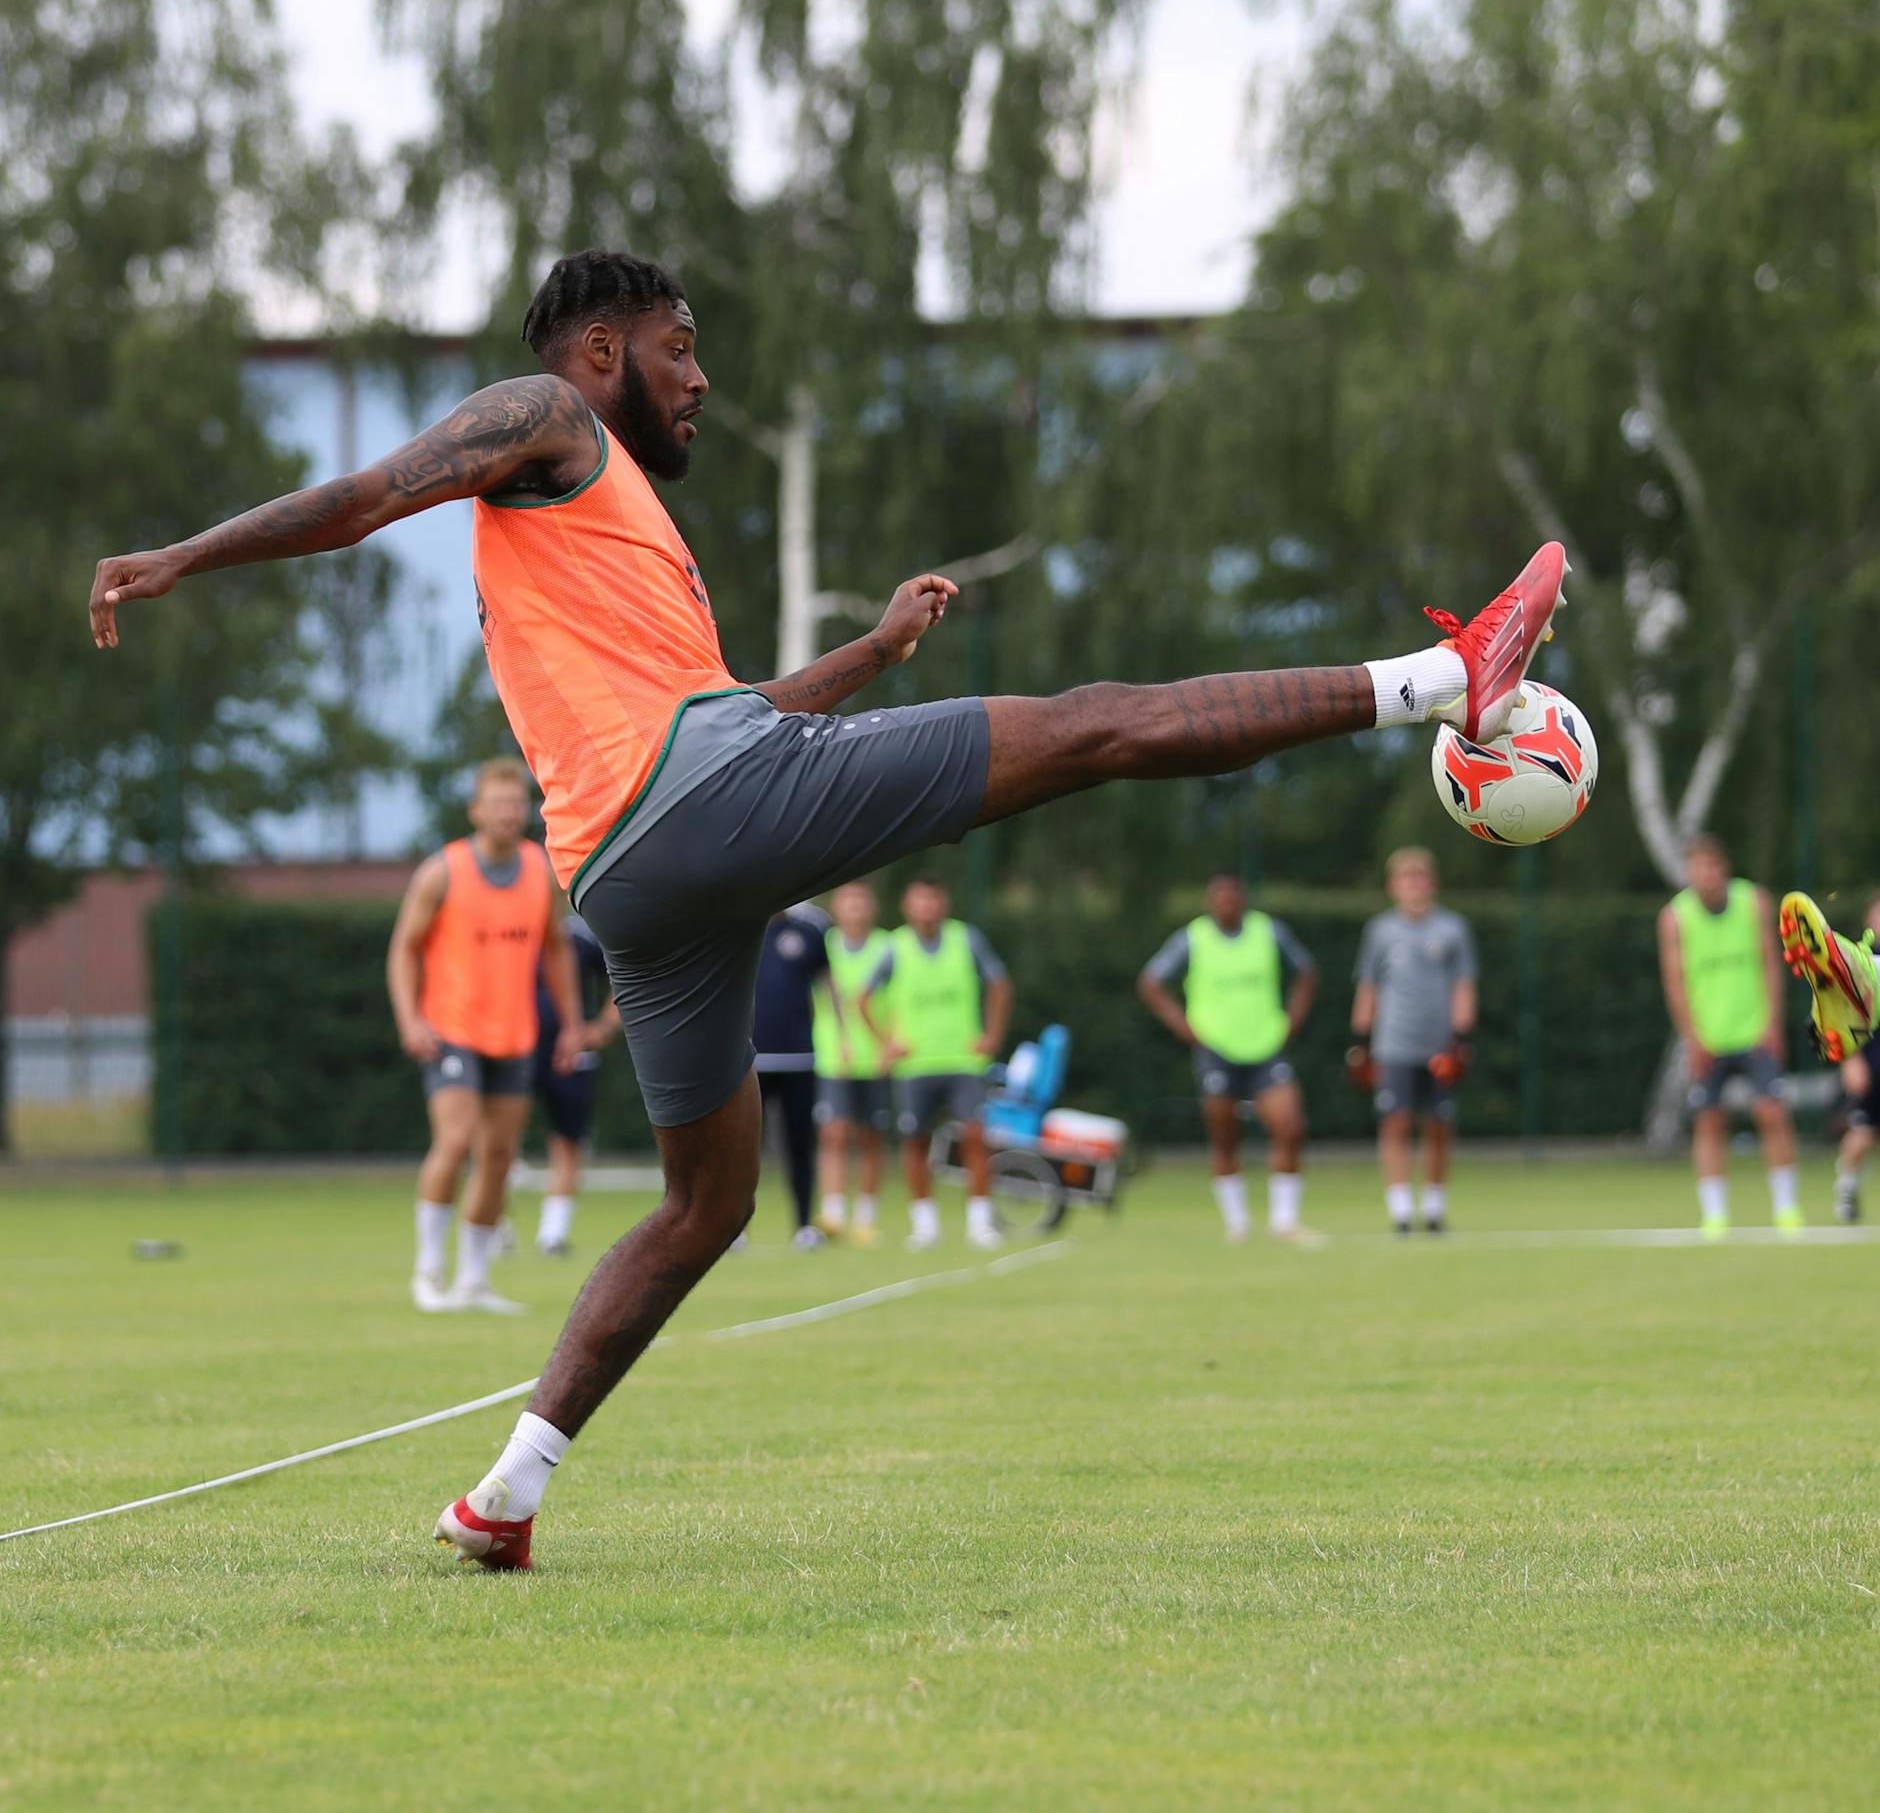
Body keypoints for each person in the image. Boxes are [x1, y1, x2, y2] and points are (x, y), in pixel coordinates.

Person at [88, 245, 1566, 1570]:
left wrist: (867, 655)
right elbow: (363, 500)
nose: (702, 375)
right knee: (1096, 724)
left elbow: (736, 728)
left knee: (708, 1202)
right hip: (698, 810)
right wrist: (184, 556)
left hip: (633, 874)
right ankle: (1445, 678)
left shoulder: (612, 532)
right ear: (601, 349)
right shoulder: (543, 414)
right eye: (680, 344)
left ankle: (505, 1494)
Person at [385, 758, 583, 1312]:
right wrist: (409, 1018)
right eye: (495, 804)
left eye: (515, 804)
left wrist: (570, 1024)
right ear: (475, 811)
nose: (506, 813)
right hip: (451, 1030)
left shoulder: (539, 870)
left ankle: (474, 1280)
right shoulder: (442, 872)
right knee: (455, 1140)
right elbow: (403, 948)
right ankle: (428, 1274)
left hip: (514, 1034)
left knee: (499, 1156)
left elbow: (556, 950)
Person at [1137, 873, 1317, 1242]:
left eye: (1233, 896)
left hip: (1266, 1046)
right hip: (1215, 1050)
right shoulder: (1192, 938)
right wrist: (1182, 1026)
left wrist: (1292, 1020)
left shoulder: (1269, 932)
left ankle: (1285, 1220)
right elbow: (1150, 982)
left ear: (1243, 899)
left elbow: (1306, 974)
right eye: (1219, 896)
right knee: (1224, 1137)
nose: (1227, 903)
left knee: (1289, 1127)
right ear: (1209, 901)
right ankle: (1237, 1223)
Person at [858, 875, 1012, 1253]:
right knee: (915, 1142)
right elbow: (862, 997)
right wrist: (886, 1043)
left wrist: (991, 1035)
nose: (928, 907)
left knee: (976, 1138)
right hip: (915, 1064)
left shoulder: (966, 939)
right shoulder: (896, 947)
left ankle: (981, 1222)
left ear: (944, 903)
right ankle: (924, 1225)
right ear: (907, 906)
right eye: (920, 900)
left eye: (934, 899)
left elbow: (1000, 984)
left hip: (963, 1059)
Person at [1657, 836, 1799, 1238]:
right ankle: (1715, 1215)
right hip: (1708, 1038)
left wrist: (1772, 1023)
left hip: (1754, 1030)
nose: (1709, 874)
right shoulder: (1675, 916)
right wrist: (1691, 1038)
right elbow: (1675, 982)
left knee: (1772, 1112)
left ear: (1725, 868)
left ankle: (1787, 1208)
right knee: (1709, 1121)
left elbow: (1772, 963)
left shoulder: (1753, 901)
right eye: (1700, 867)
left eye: (1714, 866)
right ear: (1689, 873)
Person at [1349, 848, 1477, 1235]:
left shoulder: (1453, 929)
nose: (1414, 886)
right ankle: (1401, 1211)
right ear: (1393, 887)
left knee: (1439, 1124)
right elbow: (1369, 987)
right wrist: (1359, 1040)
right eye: (1406, 879)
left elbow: (1464, 985)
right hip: (1394, 1045)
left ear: (1432, 884)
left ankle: (1434, 1209)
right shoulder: (1380, 931)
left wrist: (1461, 1036)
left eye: (1420, 878)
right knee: (1395, 1122)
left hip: (1439, 1045)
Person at [1775, 889, 1880, 1225]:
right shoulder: (1869, 959)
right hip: (1872, 1061)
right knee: (1863, 1133)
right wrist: (1850, 1059)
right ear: (1869, 919)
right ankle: (1847, 1185)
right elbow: (1845, 1025)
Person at [531, 910, 619, 1258]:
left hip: (571, 1055)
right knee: (495, 1142)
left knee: (568, 1142)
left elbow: (624, 978)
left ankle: (553, 1233)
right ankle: (493, 1227)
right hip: (513, 1050)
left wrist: (602, 1028)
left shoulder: (582, 936)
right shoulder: (511, 929)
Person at [813, 881, 892, 1247]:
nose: (854, 908)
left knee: (872, 1137)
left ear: (872, 907)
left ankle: (866, 1217)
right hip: (833, 1056)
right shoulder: (823, 947)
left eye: (861, 900)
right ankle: (832, 1213)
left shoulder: (886, 947)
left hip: (876, 1057)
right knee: (834, 1133)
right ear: (835, 908)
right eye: (847, 901)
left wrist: (889, 1044)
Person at [752, 902, 834, 1249]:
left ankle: (803, 1225)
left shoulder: (809, 932)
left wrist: (842, 1038)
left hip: (800, 1058)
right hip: (749, 1062)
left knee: (801, 1144)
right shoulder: (736, 929)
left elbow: (829, 990)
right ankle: (735, 1230)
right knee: (742, 1151)